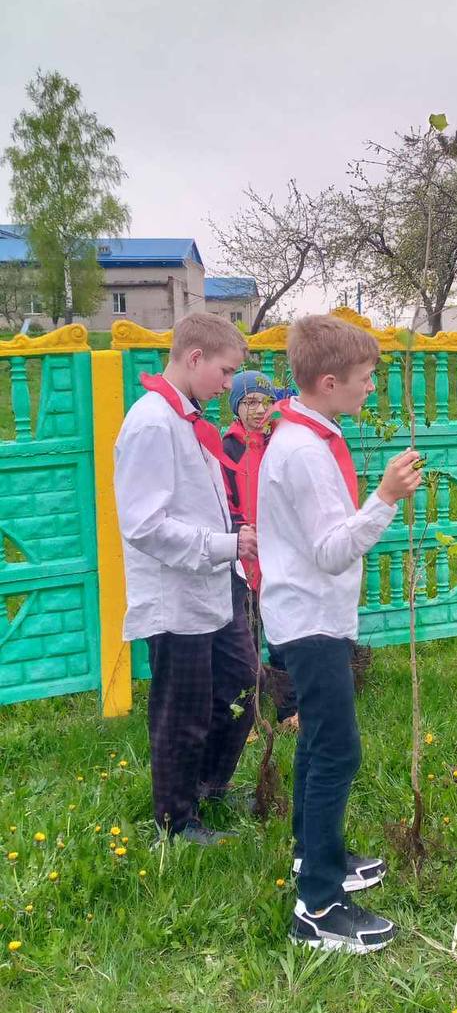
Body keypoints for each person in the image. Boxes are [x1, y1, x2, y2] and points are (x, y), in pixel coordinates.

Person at [257, 314, 422, 953]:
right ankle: (319, 906)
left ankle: (313, 853)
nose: (371, 387)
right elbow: (330, 551)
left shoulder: (308, 436)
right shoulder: (303, 453)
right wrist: (385, 498)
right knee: (337, 750)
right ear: (329, 382)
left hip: (307, 614)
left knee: (320, 740)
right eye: (365, 377)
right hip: (310, 622)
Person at [114, 313, 259, 845]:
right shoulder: (152, 423)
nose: (229, 385)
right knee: (183, 710)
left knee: (242, 682)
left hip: (215, 583)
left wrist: (232, 541)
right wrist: (224, 545)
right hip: (176, 597)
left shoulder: (187, 419)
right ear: (195, 357)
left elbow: (197, 502)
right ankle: (175, 822)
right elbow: (143, 526)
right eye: (226, 372)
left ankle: (208, 786)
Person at [221, 370, 298, 732]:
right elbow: (224, 499)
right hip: (245, 555)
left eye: (265, 402)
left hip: (279, 554)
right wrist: (240, 531)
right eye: (249, 402)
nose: (257, 410)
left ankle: (289, 711)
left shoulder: (279, 442)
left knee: (283, 635)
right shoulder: (228, 448)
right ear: (236, 407)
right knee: (245, 640)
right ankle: (245, 716)